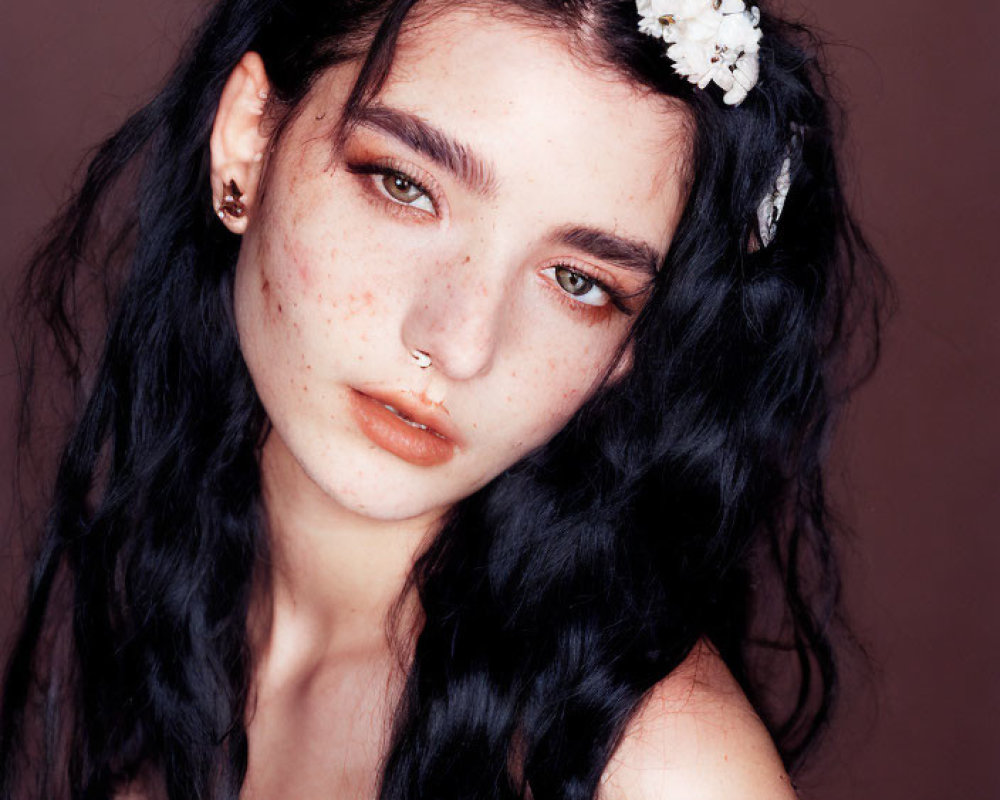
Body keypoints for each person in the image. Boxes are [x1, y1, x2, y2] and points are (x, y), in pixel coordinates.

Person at [0, 0, 890, 797]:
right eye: (406, 186)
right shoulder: (164, 599)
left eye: (579, 282)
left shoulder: (662, 772)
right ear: (250, 141)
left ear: (632, 349)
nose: (459, 345)